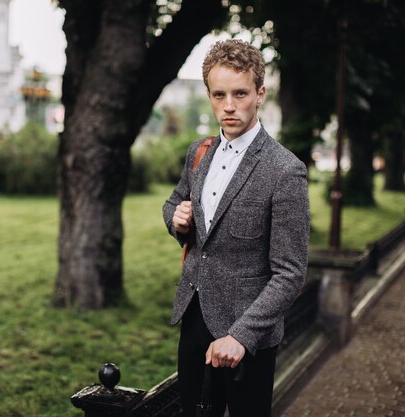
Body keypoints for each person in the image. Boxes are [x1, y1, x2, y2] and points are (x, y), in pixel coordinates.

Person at [162, 39, 310, 417]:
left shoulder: (285, 170)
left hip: (249, 334)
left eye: (240, 93)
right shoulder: (199, 151)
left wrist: (241, 336)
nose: (229, 106)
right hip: (194, 317)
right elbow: (174, 203)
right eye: (219, 94)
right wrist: (176, 221)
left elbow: (289, 273)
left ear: (260, 94)